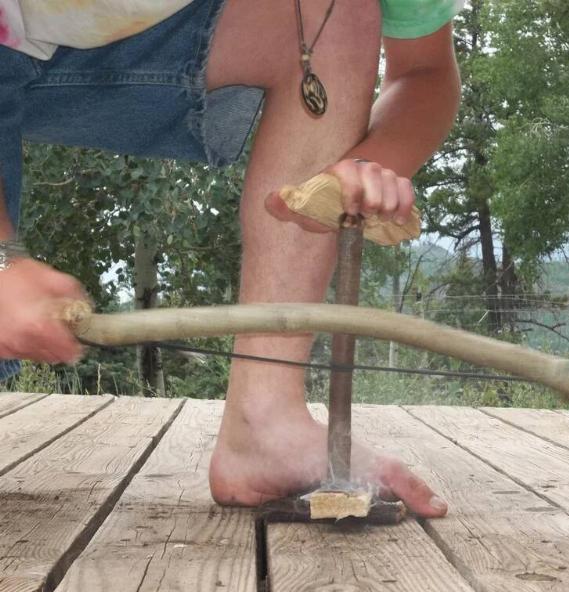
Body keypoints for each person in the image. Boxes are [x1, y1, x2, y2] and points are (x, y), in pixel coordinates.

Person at [0, 0, 462, 517]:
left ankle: (264, 426)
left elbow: (423, 70)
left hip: (89, 47)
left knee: (335, 10)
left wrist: (364, 167)